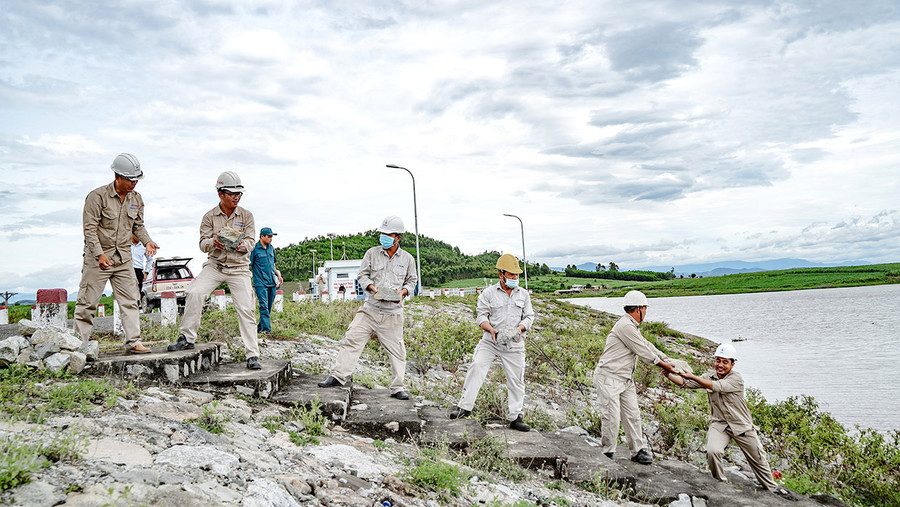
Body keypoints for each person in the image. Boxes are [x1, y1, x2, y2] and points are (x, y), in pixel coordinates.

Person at [167, 171, 262, 370]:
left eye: (239, 194)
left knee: (246, 308)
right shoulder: (209, 217)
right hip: (216, 265)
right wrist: (213, 242)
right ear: (220, 194)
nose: (236, 197)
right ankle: (187, 337)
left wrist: (241, 245)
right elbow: (202, 243)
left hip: (239, 268)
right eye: (232, 194)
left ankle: (253, 354)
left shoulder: (246, 216)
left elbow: (251, 242)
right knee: (195, 292)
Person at [664, 343, 786, 494]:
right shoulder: (708, 376)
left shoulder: (736, 379)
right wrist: (668, 374)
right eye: (718, 361)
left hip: (741, 425)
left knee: (758, 459)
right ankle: (721, 484)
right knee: (712, 451)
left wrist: (693, 376)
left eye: (725, 362)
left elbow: (718, 386)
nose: (720, 365)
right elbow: (686, 383)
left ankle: (772, 489)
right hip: (720, 424)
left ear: (732, 364)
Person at [318, 216, 418, 399]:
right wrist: (372, 288)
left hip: (392, 314)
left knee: (397, 351)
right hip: (370, 309)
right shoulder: (371, 253)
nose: (384, 237)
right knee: (351, 338)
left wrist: (402, 293)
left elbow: (412, 281)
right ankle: (338, 376)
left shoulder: (408, 259)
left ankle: (397, 388)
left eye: (388, 234)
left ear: (398, 238)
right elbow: (362, 275)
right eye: (382, 234)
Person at [74, 153, 159, 354]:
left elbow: (138, 226)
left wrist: (147, 241)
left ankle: (134, 342)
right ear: (117, 176)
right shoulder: (97, 197)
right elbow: (89, 229)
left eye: (136, 179)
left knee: (131, 300)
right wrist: (99, 254)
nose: (134, 183)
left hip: (123, 259)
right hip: (98, 259)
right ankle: (78, 346)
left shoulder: (136, 199)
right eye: (130, 179)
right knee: (87, 303)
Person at [449, 254, 535, 432]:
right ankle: (464, 407)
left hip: (514, 344)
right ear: (501, 274)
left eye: (516, 275)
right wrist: (490, 329)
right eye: (511, 274)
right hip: (490, 341)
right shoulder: (488, 293)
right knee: (477, 367)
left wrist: (520, 328)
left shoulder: (524, 294)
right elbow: (481, 316)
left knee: (516, 379)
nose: (514, 277)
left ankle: (516, 417)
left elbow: (529, 317)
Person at [593, 290, 677, 464]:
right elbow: (642, 350)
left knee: (632, 415)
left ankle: (637, 451)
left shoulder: (631, 326)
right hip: (609, 377)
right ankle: (608, 453)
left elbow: (646, 344)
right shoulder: (625, 326)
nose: (645, 312)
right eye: (645, 308)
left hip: (625, 378)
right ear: (638, 309)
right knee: (611, 418)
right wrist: (662, 364)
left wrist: (664, 357)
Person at [250, 227, 282, 338]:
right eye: (269, 236)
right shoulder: (254, 249)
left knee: (268, 306)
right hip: (260, 283)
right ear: (262, 236)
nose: (270, 238)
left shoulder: (271, 248)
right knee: (263, 306)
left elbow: (273, 265)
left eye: (271, 236)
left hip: (271, 282)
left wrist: (278, 275)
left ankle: (260, 328)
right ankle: (267, 331)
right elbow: (249, 264)